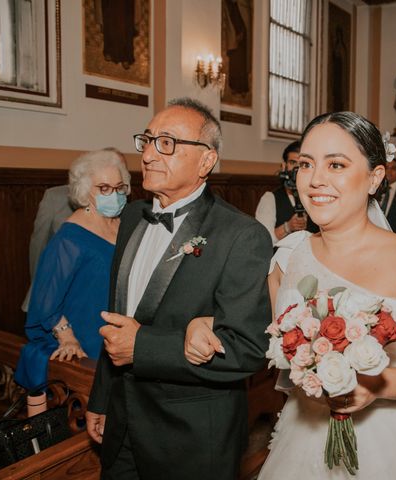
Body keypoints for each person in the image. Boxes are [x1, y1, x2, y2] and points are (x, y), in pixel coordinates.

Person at [186, 111, 396, 479]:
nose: (316, 180)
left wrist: (377, 385)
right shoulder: (290, 255)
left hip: (395, 443)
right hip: (304, 432)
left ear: (375, 178)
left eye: (337, 164)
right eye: (306, 165)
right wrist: (205, 323)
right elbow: (256, 322)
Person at [85, 97, 272, 480]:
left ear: (207, 161)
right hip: (121, 425)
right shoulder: (134, 215)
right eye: (148, 140)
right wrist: (102, 398)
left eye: (167, 143)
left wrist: (145, 347)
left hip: (190, 440)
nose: (150, 154)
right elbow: (118, 318)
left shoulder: (241, 235)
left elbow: (246, 349)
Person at [14, 149, 130, 391]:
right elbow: (45, 299)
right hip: (87, 338)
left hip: (121, 334)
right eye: (104, 188)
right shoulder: (70, 237)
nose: (115, 195)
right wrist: (67, 337)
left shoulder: (125, 225)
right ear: (85, 190)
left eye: (119, 187)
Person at [255, 140, 319, 245]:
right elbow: (262, 241)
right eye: (293, 163)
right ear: (284, 166)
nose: (296, 169)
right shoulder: (270, 198)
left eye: (303, 164)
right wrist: (287, 227)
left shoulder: (318, 196)